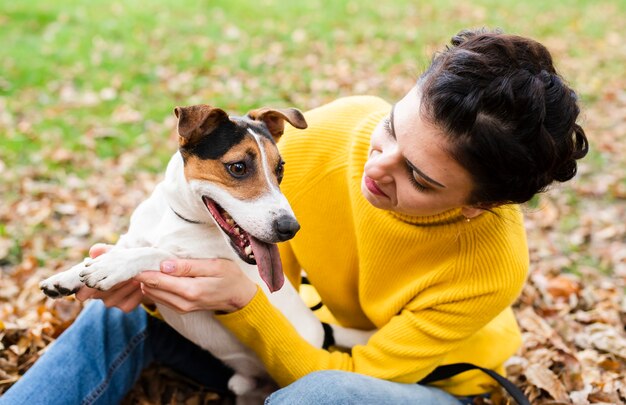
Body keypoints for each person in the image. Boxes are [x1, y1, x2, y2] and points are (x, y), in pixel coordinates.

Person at [1, 28, 588, 405]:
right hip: (298, 330)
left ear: (477, 204)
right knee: (113, 311)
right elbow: (230, 225)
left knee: (317, 398)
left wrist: (243, 301)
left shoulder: (490, 266)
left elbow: (354, 373)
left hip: (422, 383)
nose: (376, 168)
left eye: (420, 177)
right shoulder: (331, 136)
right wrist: (150, 278)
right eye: (390, 128)